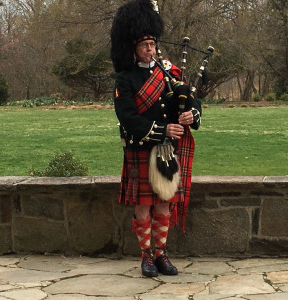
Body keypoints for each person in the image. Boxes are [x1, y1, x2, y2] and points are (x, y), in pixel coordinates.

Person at [110, 0, 201, 277]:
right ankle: (146, 256)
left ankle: (161, 254)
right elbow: (128, 118)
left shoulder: (167, 72)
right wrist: (163, 131)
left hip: (165, 151)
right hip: (141, 148)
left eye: (152, 44)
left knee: (163, 202)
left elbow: (189, 100)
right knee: (144, 204)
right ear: (132, 48)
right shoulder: (125, 79)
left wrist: (191, 116)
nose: (151, 50)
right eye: (145, 45)